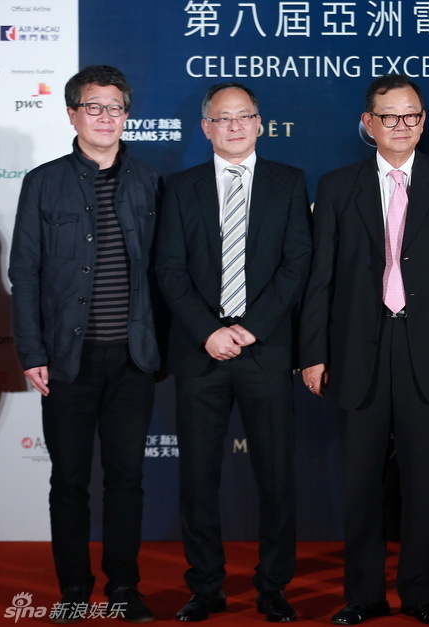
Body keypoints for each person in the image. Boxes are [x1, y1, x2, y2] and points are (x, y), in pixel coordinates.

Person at [298, 74, 429, 626]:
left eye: (412, 116)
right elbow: (319, 279)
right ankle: (363, 596)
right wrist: (312, 352)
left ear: (423, 122)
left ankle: (422, 595)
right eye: (390, 116)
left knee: (424, 486)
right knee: (360, 485)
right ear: (367, 123)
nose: (402, 126)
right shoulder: (335, 186)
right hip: (357, 352)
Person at [9, 64, 161, 624]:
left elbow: (163, 273)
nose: (105, 117)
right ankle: (74, 594)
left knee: (127, 480)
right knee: (68, 482)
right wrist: (33, 353)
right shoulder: (43, 181)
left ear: (127, 115)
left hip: (132, 359)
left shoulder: (148, 181)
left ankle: (124, 591)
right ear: (71, 112)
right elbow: (24, 272)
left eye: (115, 107)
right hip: (66, 361)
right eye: (93, 106)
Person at [155, 81, 310, 622]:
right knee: (198, 476)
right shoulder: (179, 187)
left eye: (244, 116)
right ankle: (205, 586)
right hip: (200, 351)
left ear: (260, 123)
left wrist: (249, 328)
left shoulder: (289, 184)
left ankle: (274, 587)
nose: (235, 126)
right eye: (223, 118)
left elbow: (296, 265)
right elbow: (169, 270)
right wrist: (209, 331)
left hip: (264, 350)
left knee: (276, 476)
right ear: (206, 128)